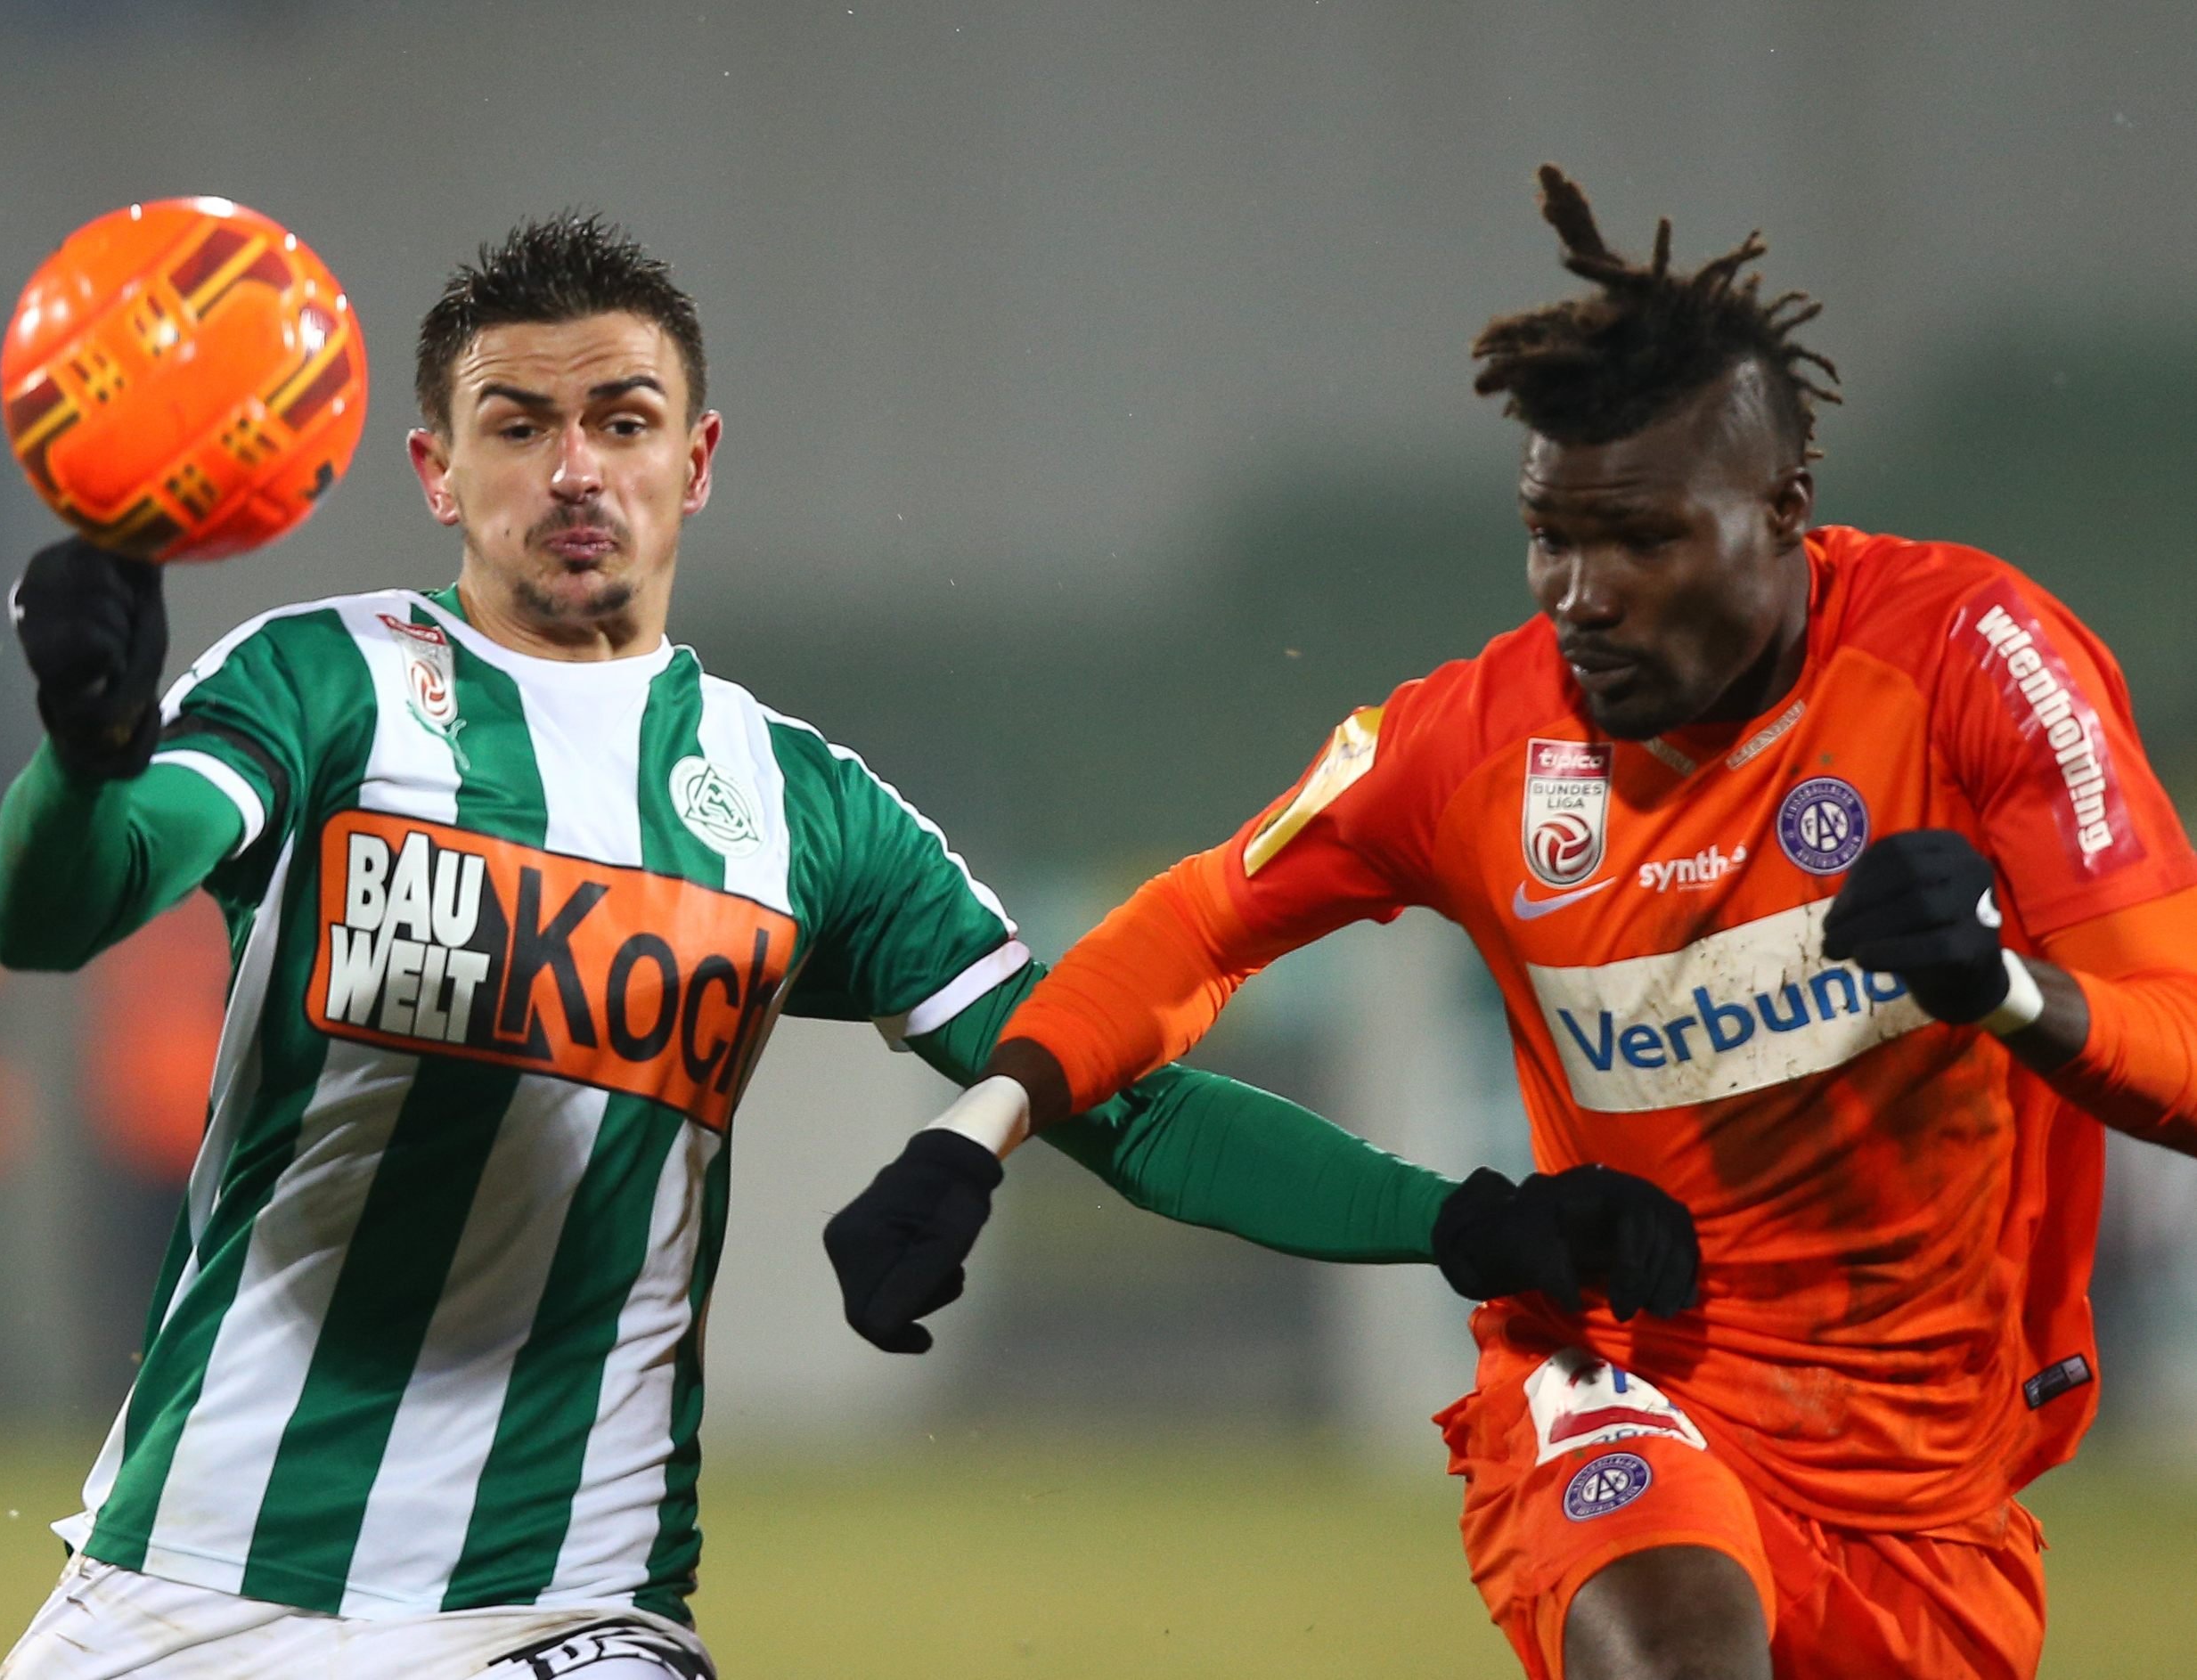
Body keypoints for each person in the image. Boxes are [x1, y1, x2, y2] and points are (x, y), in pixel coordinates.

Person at [0, 212, 1651, 1679]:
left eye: (622, 420)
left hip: (555, 1602)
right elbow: (62, 907)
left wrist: (1466, 1220)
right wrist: (88, 742)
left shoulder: (799, 808)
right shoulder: (322, 684)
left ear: (695, 459)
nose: (577, 469)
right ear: (436, 469)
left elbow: (1106, 1087)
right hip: (189, 1572)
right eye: (520, 424)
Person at [823, 167, 2197, 1680]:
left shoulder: (1976, 663)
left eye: (1644, 541)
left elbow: (2184, 1051)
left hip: (1930, 1482)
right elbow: (1199, 922)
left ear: (1788, 512)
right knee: (1682, 1654)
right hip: (1623, 1371)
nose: (1582, 596)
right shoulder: (1470, 743)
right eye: (1551, 536)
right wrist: (984, 1128)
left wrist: (2006, 989)